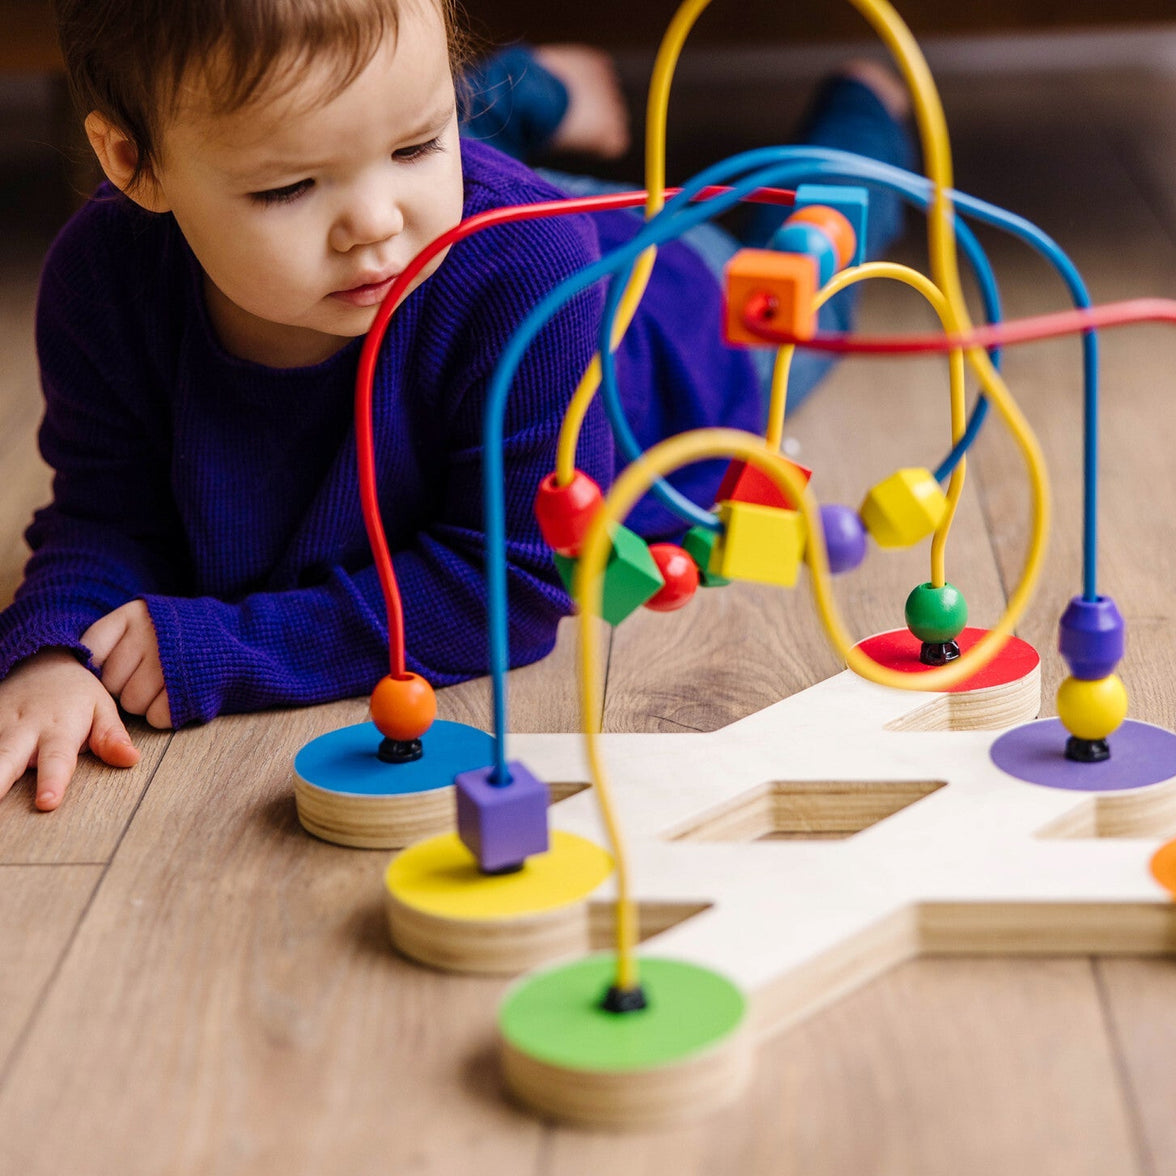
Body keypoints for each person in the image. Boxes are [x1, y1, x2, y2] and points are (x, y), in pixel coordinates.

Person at [0, 0, 912, 811]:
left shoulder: (522, 279)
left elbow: (511, 587)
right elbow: (105, 511)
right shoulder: (102, 281)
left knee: (815, 244)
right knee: (390, 146)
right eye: (287, 187)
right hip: (505, 218)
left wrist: (231, 649)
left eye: (417, 143)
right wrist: (51, 651)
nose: (377, 224)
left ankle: (863, 106)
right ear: (133, 163)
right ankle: (521, 98)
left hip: (675, 308)